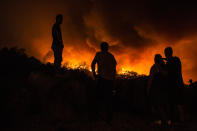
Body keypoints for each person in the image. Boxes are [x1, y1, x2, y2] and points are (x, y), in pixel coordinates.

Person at [91, 42, 117, 125]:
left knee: (97, 97)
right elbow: (114, 68)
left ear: (101, 48)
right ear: (107, 48)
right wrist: (113, 79)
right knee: (109, 100)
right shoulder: (111, 56)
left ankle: (95, 117)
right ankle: (109, 119)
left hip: (102, 79)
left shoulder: (99, 54)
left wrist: (94, 73)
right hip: (110, 81)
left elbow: (93, 63)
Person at [147, 54, 169, 126]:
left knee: (157, 105)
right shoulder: (164, 67)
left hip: (156, 89)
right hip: (163, 89)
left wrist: (148, 89)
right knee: (161, 105)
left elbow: (150, 79)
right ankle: (164, 121)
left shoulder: (154, 67)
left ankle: (163, 121)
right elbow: (166, 75)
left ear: (155, 60)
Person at [164, 47, 185, 123]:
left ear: (166, 53)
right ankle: (182, 120)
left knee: (172, 103)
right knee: (180, 103)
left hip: (172, 86)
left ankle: (173, 121)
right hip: (179, 84)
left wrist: (161, 66)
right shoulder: (177, 60)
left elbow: (166, 74)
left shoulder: (169, 63)